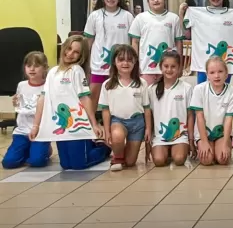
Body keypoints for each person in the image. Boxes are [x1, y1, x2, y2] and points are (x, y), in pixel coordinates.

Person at [30, 35, 110, 170]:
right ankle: (89, 146)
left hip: (79, 125)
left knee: (79, 165)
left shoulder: (77, 71)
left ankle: (104, 148)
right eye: (69, 49)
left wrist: (94, 124)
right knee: (66, 165)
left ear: (81, 56)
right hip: (63, 126)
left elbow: (85, 98)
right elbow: (42, 99)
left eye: (76, 52)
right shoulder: (52, 72)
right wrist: (36, 126)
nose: (70, 54)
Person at [180, 0, 233, 84]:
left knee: (223, 95)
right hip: (203, 64)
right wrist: (181, 14)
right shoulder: (197, 13)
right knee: (203, 95)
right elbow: (187, 35)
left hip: (225, 64)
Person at [98, 44, 151, 171]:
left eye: (129, 60)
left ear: (135, 62)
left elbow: (147, 108)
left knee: (130, 162)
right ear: (114, 62)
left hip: (137, 123)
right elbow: (105, 110)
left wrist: (148, 128)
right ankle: (118, 156)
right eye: (121, 59)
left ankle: (123, 153)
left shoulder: (142, 83)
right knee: (117, 136)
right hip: (118, 121)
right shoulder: (108, 85)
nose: (125, 63)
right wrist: (106, 131)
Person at [83, 0, 134, 104]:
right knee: (93, 98)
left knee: (119, 98)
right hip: (98, 65)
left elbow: (133, 43)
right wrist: (86, 63)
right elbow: (88, 42)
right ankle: (92, 122)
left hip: (121, 65)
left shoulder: (127, 16)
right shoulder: (95, 16)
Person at [3, 52, 50, 169]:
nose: (32, 69)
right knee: (9, 163)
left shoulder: (48, 86)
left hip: (40, 131)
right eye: (29, 66)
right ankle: (28, 149)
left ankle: (45, 149)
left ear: (45, 68)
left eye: (36, 66)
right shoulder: (22, 85)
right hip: (22, 130)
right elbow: (20, 105)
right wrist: (15, 102)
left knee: (37, 162)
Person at [190, 55, 233, 166]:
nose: (216, 76)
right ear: (207, 75)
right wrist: (203, 141)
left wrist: (226, 143)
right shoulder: (199, 89)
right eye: (212, 73)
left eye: (220, 71)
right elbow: (199, 117)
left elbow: (228, 120)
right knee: (207, 160)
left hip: (221, 134)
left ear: (226, 74)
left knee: (223, 159)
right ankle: (208, 146)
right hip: (203, 133)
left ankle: (219, 146)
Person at [129, 0, 184, 85]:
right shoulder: (140, 18)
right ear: (148, 1)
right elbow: (135, 43)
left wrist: (180, 66)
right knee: (146, 99)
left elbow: (179, 43)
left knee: (167, 98)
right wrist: (135, 65)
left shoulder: (173, 18)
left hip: (168, 69)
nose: (156, 0)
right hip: (145, 68)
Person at [148, 50, 194, 167]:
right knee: (158, 161)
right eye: (166, 66)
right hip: (160, 136)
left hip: (180, 135)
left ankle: (176, 149)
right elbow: (149, 116)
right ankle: (166, 150)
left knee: (179, 160)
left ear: (179, 68)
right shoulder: (152, 89)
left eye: (173, 66)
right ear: (160, 67)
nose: (169, 70)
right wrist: (148, 142)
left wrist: (191, 139)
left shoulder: (186, 88)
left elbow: (190, 115)